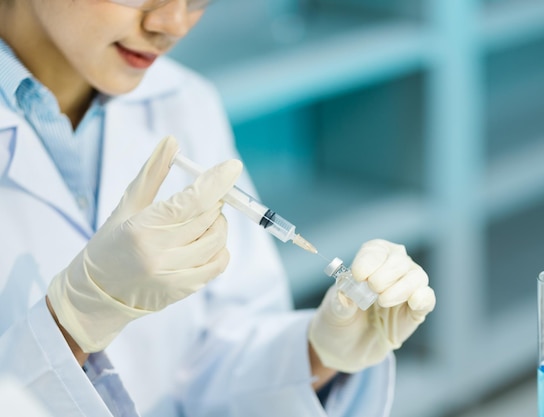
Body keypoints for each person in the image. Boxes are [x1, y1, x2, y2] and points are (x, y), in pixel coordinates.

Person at [0, 1, 437, 416]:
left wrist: (318, 353)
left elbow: (214, 355)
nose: (172, 24)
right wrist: (69, 325)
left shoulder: (185, 100)